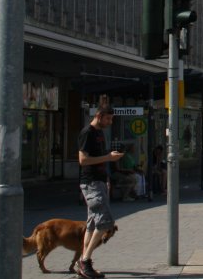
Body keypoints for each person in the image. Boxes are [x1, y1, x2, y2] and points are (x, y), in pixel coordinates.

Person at [78, 105, 124, 279]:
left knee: (91, 224)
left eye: (111, 119)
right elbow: (83, 160)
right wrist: (108, 158)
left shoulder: (99, 133)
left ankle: (84, 264)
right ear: (99, 115)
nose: (110, 122)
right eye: (108, 119)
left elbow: (100, 159)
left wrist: (106, 179)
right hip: (90, 183)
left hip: (99, 182)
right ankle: (84, 260)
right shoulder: (87, 133)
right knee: (106, 222)